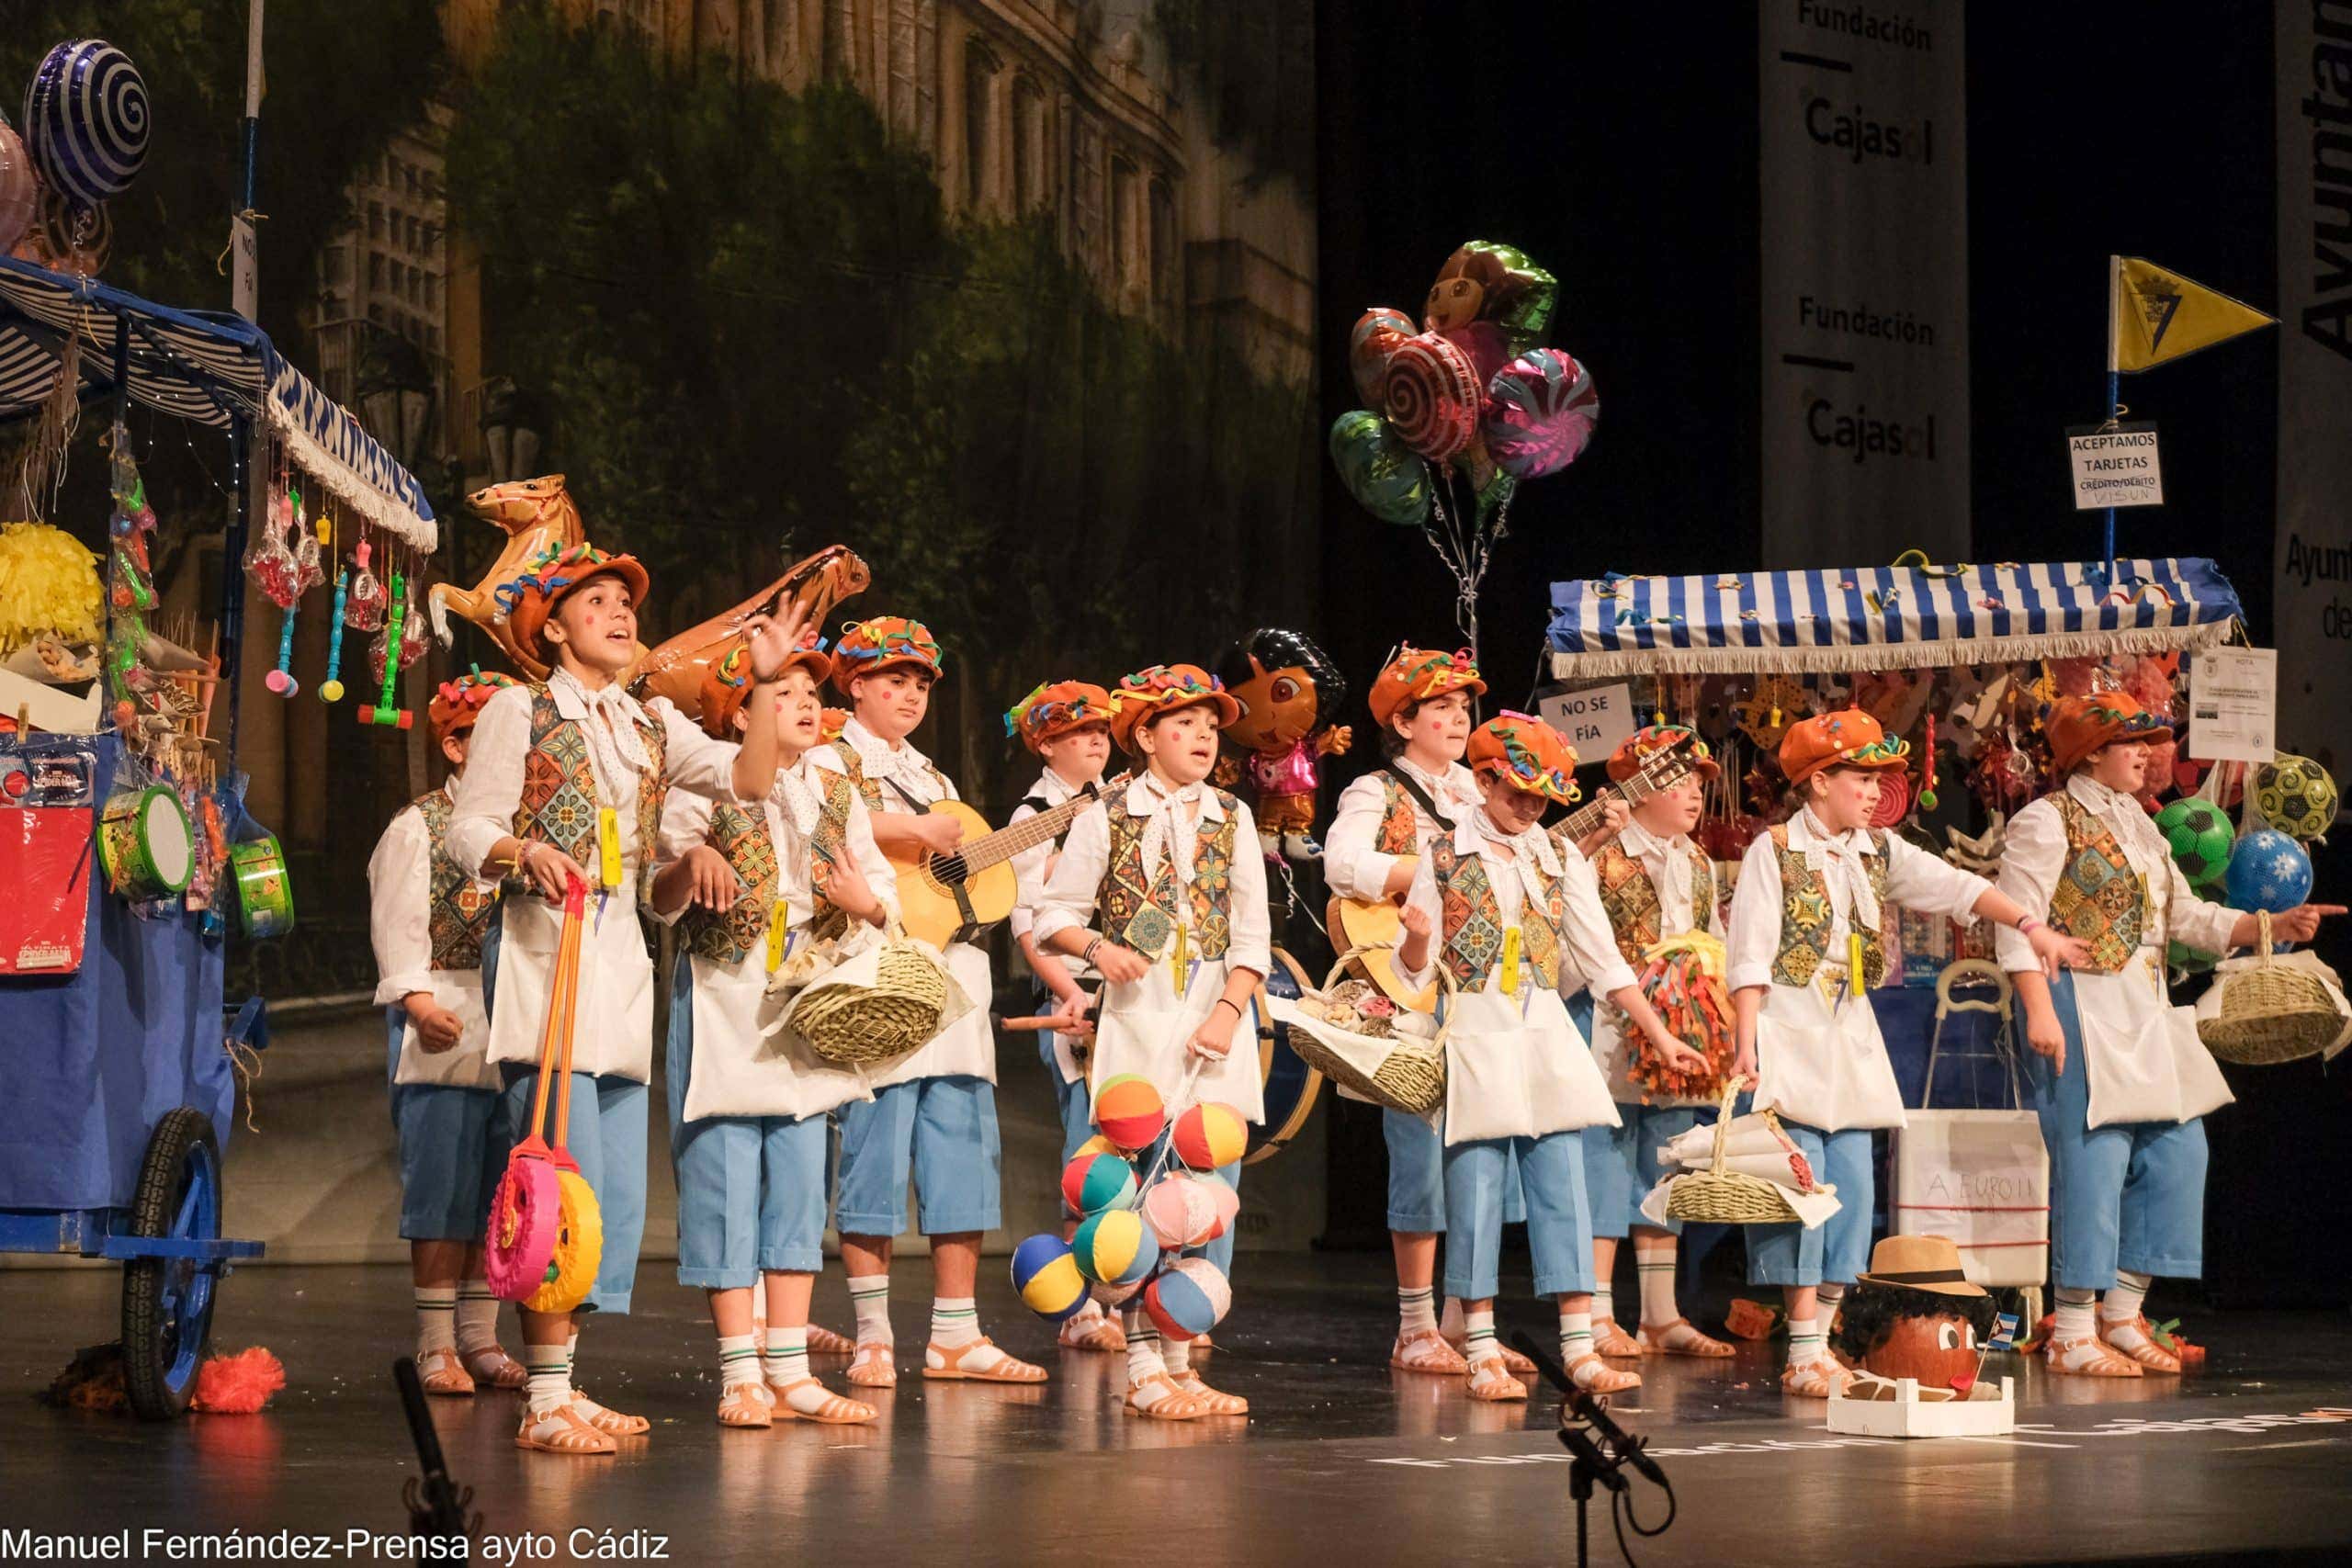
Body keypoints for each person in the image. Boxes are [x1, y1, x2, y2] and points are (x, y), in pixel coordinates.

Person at [447, 541, 803, 1454]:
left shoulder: (645, 723)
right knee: (553, 1186)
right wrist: (520, 852)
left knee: (600, 1199)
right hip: (544, 956)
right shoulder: (516, 710)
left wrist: (764, 688)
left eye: (624, 601)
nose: (617, 612)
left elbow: (750, 782)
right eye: (594, 600)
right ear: (554, 625)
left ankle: (564, 1387)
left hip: (619, 963)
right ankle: (543, 1402)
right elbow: (467, 830)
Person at [1727, 709, 2087, 1397]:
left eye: (1878, 779)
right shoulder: (1772, 850)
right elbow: (1748, 952)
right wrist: (1746, 1042)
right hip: (1789, 1031)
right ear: (1819, 781)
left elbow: (1958, 888)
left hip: (1851, 1037)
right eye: (1861, 777)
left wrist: (2030, 923)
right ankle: (1802, 1345)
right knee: (1798, 1196)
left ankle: (1825, 1336)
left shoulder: (1877, 850)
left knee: (1854, 1194)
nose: (1872, 791)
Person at [1997, 694, 2340, 1376]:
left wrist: (2269, 926)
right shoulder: (2046, 821)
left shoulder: (2144, 828)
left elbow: (2186, 916)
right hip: (2078, 1004)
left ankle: (2122, 1313)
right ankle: (2071, 1328)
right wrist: (2037, 1007)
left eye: (2151, 740)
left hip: (2144, 1006)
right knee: (2092, 1159)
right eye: (2134, 742)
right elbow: (2015, 920)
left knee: (2180, 1152)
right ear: (2092, 752)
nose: (2151, 754)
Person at [1393, 714, 1694, 1400]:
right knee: (1474, 1189)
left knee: (1564, 1186)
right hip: (1473, 1028)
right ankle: (1479, 1346)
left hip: (1543, 1031)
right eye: (1516, 793)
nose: (1529, 808)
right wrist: (1414, 940)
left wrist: (1655, 1029)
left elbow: (1600, 956)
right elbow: (1413, 974)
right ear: (1487, 780)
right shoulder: (1442, 855)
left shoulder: (1557, 857)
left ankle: (1578, 1344)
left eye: (1540, 799)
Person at [653, 637, 896, 1427]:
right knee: (724, 1178)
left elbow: (887, 899)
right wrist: (693, 862)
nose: (801, 703)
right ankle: (739, 1371)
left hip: (807, 1007)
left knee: (797, 1186)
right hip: (726, 998)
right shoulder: (703, 784)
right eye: (781, 690)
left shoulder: (836, 788)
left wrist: (865, 901)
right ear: (741, 710)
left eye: (808, 692)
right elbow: (658, 893)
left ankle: (790, 1367)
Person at [1036, 663, 1271, 1419]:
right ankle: (1141, 1365)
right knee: (1133, 1201)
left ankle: (1182, 1361)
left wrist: (1229, 1015)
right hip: (1138, 1025)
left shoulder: (1232, 817)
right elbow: (1054, 916)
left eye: (1211, 724)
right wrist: (1099, 950)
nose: (1204, 736)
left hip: (1211, 1026)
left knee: (1202, 1199)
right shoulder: (1106, 814)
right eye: (1184, 724)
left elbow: (1253, 938)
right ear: (1143, 735)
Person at [816, 617, 1042, 1388]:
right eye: (892, 680)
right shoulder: (826, 753)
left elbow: (961, 874)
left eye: (918, 684)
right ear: (855, 685)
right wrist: (910, 827)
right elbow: (822, 826)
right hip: (876, 975)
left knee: (961, 1155)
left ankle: (956, 1331)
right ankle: (874, 1331)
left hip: (951, 983)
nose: (908, 695)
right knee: (873, 1158)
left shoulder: (934, 775)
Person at [368, 667, 527, 1398]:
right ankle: (437, 1342)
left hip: (517, 1018)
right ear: (458, 747)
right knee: (443, 1183)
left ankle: (479, 1334)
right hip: (449, 1016)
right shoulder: (419, 826)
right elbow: (398, 923)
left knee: (501, 1187)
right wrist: (420, 1001)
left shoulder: (528, 832)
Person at [1580, 725, 1736, 1362]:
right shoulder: (1602, 852)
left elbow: (1709, 936)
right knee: (1605, 1164)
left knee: (1664, 1163)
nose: (1693, 794)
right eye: (1678, 782)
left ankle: (1658, 1312)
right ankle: (1592, 1310)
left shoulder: (1696, 860)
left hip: (1680, 1033)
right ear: (1639, 789)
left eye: (1699, 782)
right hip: (1611, 1029)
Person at [1004, 679, 1127, 1353]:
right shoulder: (1034, 816)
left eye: (1102, 731)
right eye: (1079, 731)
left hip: (1127, 991)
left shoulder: (1118, 804)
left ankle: (1126, 1296)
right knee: (1088, 1152)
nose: (1096, 741)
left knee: (1129, 1143)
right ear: (1047, 743)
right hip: (1073, 995)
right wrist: (1068, 994)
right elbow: (1029, 927)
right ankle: (1081, 1304)